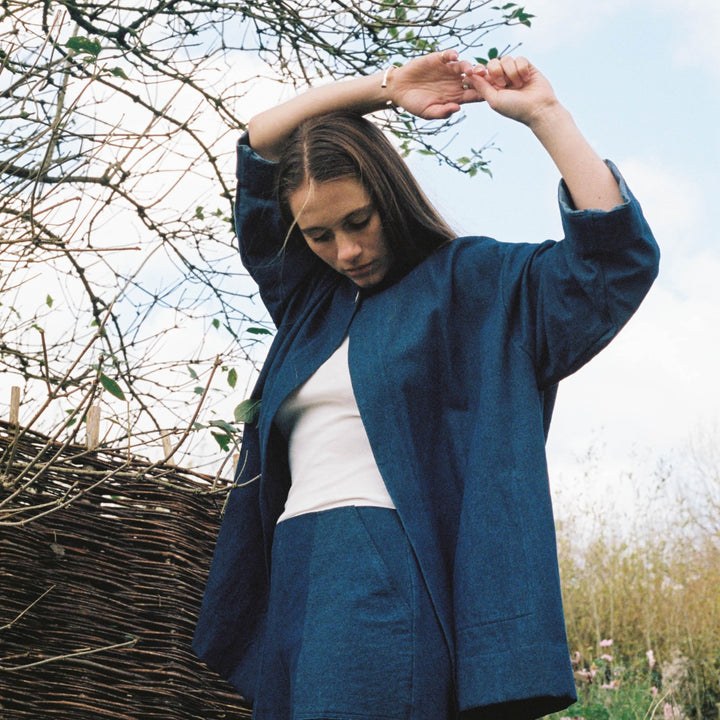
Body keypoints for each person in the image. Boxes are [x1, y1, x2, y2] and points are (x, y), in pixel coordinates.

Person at [193, 51, 659, 720]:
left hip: (378, 566)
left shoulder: (474, 286)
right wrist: (386, 89)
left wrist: (545, 115)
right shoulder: (308, 302)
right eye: (320, 235)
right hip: (292, 564)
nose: (345, 251)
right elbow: (261, 143)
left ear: (389, 197)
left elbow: (612, 265)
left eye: (359, 221)